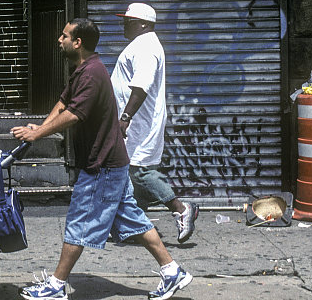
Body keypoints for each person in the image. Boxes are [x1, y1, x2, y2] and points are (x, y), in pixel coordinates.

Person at [11, 17, 192, 300]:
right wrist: (41, 128)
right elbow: (63, 104)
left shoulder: (93, 73)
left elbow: (74, 114)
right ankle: (172, 272)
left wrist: (38, 135)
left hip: (103, 164)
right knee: (133, 220)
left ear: (77, 42)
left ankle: (56, 285)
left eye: (64, 36)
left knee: (79, 221)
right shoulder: (82, 70)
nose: (60, 40)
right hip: (111, 162)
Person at [111, 2, 199, 244]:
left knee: (140, 172)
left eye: (128, 21)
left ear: (143, 24)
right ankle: (133, 227)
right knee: (131, 173)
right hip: (137, 122)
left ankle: (181, 210)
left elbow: (141, 86)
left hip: (140, 123)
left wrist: (125, 118)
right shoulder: (141, 44)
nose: (123, 24)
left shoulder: (146, 47)